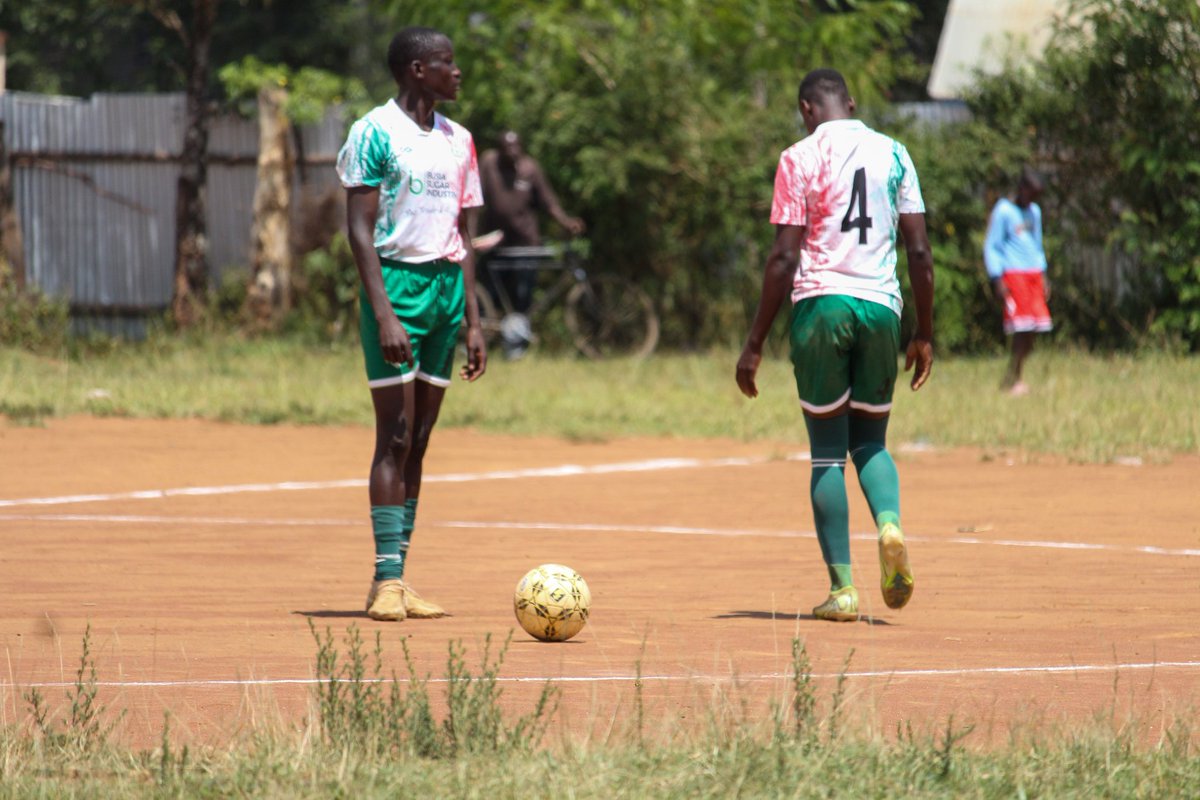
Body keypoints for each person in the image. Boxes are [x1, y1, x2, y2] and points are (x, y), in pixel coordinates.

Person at [735, 68, 934, 622]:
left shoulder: (799, 158)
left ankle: (843, 590)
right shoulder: (896, 153)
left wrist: (754, 343)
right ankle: (890, 523)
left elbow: (783, 256)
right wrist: (924, 332)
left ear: (806, 109)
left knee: (827, 452)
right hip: (881, 308)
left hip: (824, 305)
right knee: (870, 441)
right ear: (850, 102)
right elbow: (918, 251)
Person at [335, 26, 487, 622]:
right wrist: (383, 312)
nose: (457, 72)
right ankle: (386, 578)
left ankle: (399, 578)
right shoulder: (373, 131)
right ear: (417, 70)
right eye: (447, 63)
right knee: (393, 436)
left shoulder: (460, 141)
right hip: (395, 287)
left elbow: (465, 238)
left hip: (447, 292)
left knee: (421, 439)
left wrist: (475, 322)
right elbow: (358, 231)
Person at [477, 130, 585, 357]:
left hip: (526, 243)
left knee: (522, 294)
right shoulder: (489, 163)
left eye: (517, 148)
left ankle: (517, 345)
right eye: (508, 149)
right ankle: (486, 341)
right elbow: (474, 198)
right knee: (489, 295)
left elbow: (549, 202)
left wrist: (565, 222)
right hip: (495, 242)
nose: (513, 153)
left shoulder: (530, 169)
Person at [984, 168, 1051, 396]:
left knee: (1034, 329)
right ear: (1022, 189)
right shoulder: (1003, 211)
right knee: (1021, 328)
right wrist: (997, 278)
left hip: (1033, 275)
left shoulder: (1034, 212)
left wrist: (1043, 275)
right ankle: (1014, 379)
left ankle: (1013, 375)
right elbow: (992, 246)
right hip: (1014, 275)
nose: (1034, 199)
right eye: (1031, 193)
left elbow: (1037, 244)